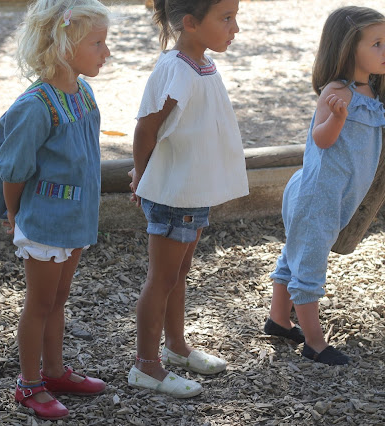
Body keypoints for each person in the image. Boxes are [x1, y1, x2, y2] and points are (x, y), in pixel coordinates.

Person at [0, 0, 111, 419]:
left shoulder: (82, 94)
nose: (106, 52)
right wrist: (14, 214)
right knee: (39, 303)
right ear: (63, 46)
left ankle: (55, 372)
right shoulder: (35, 106)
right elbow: (13, 169)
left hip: (73, 220)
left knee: (58, 298)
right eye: (98, 43)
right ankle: (28, 384)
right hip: (43, 223)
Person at [127, 0, 249, 397]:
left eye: (235, 17)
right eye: (226, 18)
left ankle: (176, 348)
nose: (235, 28)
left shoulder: (202, 64)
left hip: (192, 192)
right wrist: (142, 176)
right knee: (161, 279)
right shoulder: (176, 69)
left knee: (178, 274)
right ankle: (146, 365)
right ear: (191, 23)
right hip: (173, 194)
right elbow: (146, 130)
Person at [264, 6, 385, 366]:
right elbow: (321, 140)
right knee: (309, 265)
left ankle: (279, 319)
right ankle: (315, 343)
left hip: (333, 194)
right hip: (317, 193)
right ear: (348, 48)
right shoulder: (337, 92)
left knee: (295, 253)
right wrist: (336, 118)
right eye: (376, 43)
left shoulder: (369, 90)